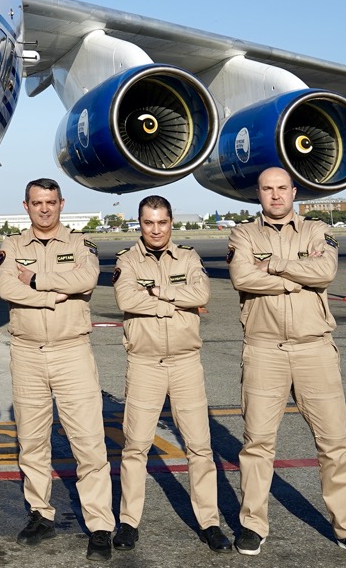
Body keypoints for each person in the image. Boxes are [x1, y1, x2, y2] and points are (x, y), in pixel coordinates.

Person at [228, 168, 346, 562]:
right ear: (257, 194)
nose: (275, 196)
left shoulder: (317, 230)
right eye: (267, 189)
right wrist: (298, 272)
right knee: (257, 444)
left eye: (282, 188)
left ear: (294, 192)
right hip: (264, 350)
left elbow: (325, 272)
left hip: (314, 350)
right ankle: (252, 525)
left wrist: (274, 266)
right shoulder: (243, 235)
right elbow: (242, 278)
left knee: (334, 443)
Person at [0, 178, 114, 560]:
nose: (44, 209)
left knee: (89, 442)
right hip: (27, 353)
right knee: (32, 440)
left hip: (72, 351)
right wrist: (55, 298)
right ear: (25, 205)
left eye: (50, 202)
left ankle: (99, 525)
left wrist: (39, 280)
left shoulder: (81, 244)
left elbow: (88, 277)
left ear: (62, 203)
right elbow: (7, 289)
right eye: (36, 202)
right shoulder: (12, 246)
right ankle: (40, 512)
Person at [112, 196, 231, 553]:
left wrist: (160, 291)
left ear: (171, 222)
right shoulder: (127, 260)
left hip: (185, 364)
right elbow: (127, 300)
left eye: (162, 222)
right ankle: (129, 523)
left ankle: (209, 522)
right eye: (149, 223)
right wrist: (179, 301)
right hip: (146, 364)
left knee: (200, 446)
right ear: (140, 223)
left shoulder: (189, 257)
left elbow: (203, 291)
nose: (156, 230)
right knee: (135, 447)